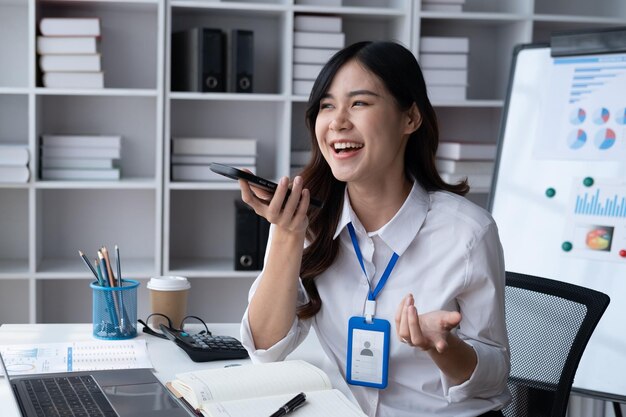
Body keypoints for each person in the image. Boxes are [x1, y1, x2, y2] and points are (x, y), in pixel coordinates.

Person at [238, 41, 510, 417]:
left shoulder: (467, 233)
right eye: (327, 105)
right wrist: (286, 235)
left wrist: (443, 347)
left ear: (410, 118)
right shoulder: (305, 220)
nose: (337, 122)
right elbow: (265, 349)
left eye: (360, 103)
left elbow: (494, 381)